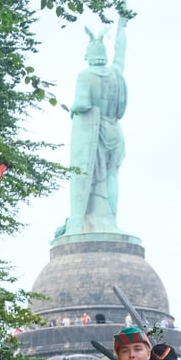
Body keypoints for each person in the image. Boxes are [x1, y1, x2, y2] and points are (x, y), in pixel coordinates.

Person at [65, 16, 129, 235]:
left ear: (89, 56)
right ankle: (112, 220)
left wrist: (71, 110)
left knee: (91, 176)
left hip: (95, 133)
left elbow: (81, 104)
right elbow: (121, 52)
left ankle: (93, 218)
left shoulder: (85, 76)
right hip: (115, 131)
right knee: (112, 175)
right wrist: (122, 27)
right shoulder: (116, 73)